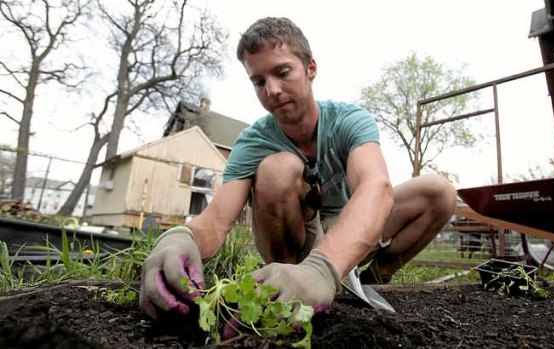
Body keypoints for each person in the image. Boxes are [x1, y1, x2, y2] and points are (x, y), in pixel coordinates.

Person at [139, 16, 456, 320]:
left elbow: (376, 187)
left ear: (310, 69)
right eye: (259, 81)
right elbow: (217, 220)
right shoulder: (253, 142)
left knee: (438, 191)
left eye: (283, 72)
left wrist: (324, 268)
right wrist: (180, 238)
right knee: (278, 168)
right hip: (302, 240)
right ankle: (286, 284)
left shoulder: (348, 120)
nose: (272, 90)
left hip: (351, 225)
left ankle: (370, 280)